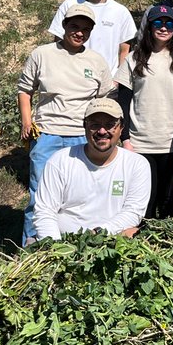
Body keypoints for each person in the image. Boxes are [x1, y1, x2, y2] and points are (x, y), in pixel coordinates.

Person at [17, 2, 115, 244]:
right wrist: (26, 122)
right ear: (64, 26)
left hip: (84, 138)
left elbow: (104, 100)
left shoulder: (96, 61)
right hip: (48, 135)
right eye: (74, 26)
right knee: (40, 194)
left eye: (85, 29)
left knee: (80, 196)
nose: (79, 32)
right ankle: (33, 248)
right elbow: (25, 90)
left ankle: (74, 247)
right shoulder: (43, 54)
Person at [115, 5, 173, 220]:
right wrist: (125, 139)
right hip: (141, 143)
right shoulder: (134, 58)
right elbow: (123, 102)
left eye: (168, 23)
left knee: (169, 202)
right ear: (149, 27)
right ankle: (141, 246)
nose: (163, 28)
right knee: (144, 202)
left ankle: (166, 248)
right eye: (157, 23)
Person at [33, 97, 151, 241]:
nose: (102, 131)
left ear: (121, 127)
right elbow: (44, 211)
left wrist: (96, 235)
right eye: (94, 125)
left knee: (134, 232)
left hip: (111, 238)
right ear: (84, 126)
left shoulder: (137, 164)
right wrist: (56, 248)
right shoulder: (60, 161)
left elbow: (133, 212)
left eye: (110, 125)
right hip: (65, 242)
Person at [47, 0, 136, 73]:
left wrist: (119, 80)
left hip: (108, 81)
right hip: (73, 76)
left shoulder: (121, 11)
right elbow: (58, 42)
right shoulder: (69, 5)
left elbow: (124, 50)